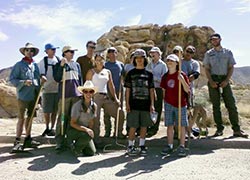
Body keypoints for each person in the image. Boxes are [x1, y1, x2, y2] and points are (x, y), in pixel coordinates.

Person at [203, 33, 248, 138]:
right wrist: (211, 81)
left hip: (225, 79)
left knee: (231, 104)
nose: (214, 41)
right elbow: (207, 69)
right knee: (216, 106)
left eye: (215, 39)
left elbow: (231, 67)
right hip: (213, 79)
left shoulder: (227, 52)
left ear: (220, 40)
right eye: (212, 40)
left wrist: (227, 80)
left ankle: (236, 129)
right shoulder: (209, 54)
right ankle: (219, 129)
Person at [86, 53, 125, 145]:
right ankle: (96, 140)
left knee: (120, 113)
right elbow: (87, 86)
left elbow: (111, 86)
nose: (99, 62)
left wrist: (115, 98)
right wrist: (88, 99)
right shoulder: (91, 72)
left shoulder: (107, 71)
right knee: (96, 118)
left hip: (106, 96)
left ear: (104, 60)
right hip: (95, 96)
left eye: (101, 59)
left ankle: (118, 133)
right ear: (94, 61)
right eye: (97, 60)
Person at [9, 42, 42, 151]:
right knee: (21, 119)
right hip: (22, 96)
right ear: (24, 52)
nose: (29, 52)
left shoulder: (35, 65)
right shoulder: (19, 65)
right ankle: (17, 141)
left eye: (31, 50)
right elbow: (13, 79)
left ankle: (28, 139)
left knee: (30, 118)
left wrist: (40, 81)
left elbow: (37, 79)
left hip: (33, 96)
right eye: (27, 50)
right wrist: (24, 82)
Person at [124, 49, 155, 156]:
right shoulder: (130, 74)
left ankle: (142, 145)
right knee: (133, 126)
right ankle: (130, 146)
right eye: (137, 58)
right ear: (135, 60)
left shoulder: (149, 74)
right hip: (133, 104)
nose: (139, 60)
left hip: (146, 104)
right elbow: (127, 90)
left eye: (141, 58)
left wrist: (152, 104)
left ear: (145, 59)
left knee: (144, 126)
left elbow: (151, 90)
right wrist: (127, 103)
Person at [53, 45, 82, 151]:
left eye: (73, 51)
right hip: (64, 95)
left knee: (73, 118)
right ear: (65, 53)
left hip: (76, 95)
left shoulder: (76, 65)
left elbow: (80, 80)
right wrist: (61, 66)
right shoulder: (58, 64)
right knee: (62, 117)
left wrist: (81, 92)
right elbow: (56, 78)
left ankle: (71, 140)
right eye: (70, 51)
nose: (72, 53)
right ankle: (59, 141)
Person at [160, 54, 190, 157]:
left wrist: (181, 80)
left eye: (172, 60)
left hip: (180, 104)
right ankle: (170, 145)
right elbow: (164, 90)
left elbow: (187, 90)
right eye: (168, 60)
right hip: (169, 103)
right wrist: (165, 102)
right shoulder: (165, 76)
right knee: (169, 125)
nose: (169, 62)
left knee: (182, 125)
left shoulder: (182, 75)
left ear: (177, 63)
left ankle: (182, 146)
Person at [67, 80, 97, 156]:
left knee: (91, 152)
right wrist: (86, 130)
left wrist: (89, 131)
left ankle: (81, 145)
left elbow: (91, 122)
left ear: (93, 93)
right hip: (74, 130)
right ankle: (76, 149)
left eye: (90, 91)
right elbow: (72, 123)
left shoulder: (94, 106)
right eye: (86, 91)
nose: (88, 94)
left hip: (84, 132)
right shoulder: (77, 105)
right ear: (82, 93)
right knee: (87, 135)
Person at [38, 43, 60, 136]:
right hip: (47, 89)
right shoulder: (43, 61)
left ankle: (52, 127)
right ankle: (47, 127)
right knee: (47, 110)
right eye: (52, 49)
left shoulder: (58, 60)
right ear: (47, 51)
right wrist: (42, 77)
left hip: (57, 89)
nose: (54, 51)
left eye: (54, 49)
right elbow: (40, 73)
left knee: (55, 110)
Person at [104, 47, 125, 137]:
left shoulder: (121, 64)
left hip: (118, 90)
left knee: (119, 111)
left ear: (117, 54)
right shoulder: (105, 65)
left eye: (114, 52)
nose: (112, 54)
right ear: (108, 54)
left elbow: (123, 76)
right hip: (108, 91)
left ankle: (118, 131)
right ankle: (107, 131)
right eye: (110, 52)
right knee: (106, 112)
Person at [146, 47, 167, 136]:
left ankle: (155, 128)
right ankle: (148, 126)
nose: (152, 55)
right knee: (149, 108)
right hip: (149, 89)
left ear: (159, 54)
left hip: (158, 89)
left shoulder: (163, 65)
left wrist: (154, 78)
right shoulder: (149, 65)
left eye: (154, 53)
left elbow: (164, 78)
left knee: (157, 108)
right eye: (151, 53)